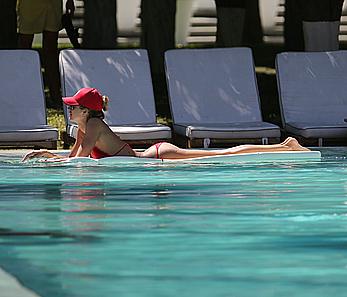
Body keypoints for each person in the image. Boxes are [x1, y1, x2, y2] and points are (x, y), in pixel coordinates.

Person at [22, 88, 310, 162]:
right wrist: (46, 156)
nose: (68, 109)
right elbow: (74, 160)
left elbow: (77, 163)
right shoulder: (86, 128)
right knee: (221, 156)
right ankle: (284, 146)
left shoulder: (94, 127)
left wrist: (47, 156)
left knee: (222, 154)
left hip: (158, 156)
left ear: (85, 111)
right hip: (151, 157)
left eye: (72, 106)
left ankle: (285, 145)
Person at [17, 0, 75, 106]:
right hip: (29, 4)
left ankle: (56, 96)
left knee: (51, 51)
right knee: (24, 52)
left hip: (53, 4)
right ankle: (23, 94)